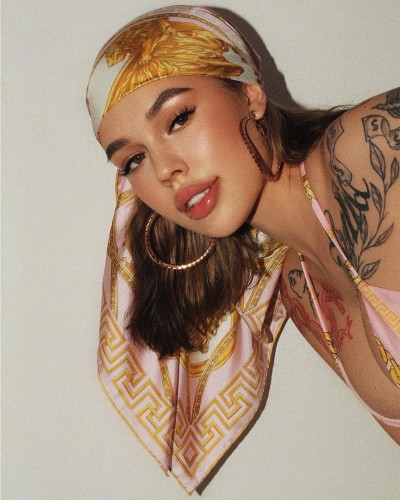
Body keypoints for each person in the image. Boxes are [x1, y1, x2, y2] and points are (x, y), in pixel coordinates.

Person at [86, 5, 400, 493]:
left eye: (178, 118)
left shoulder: (372, 147)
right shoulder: (302, 292)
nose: (165, 169)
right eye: (133, 160)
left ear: (250, 96)